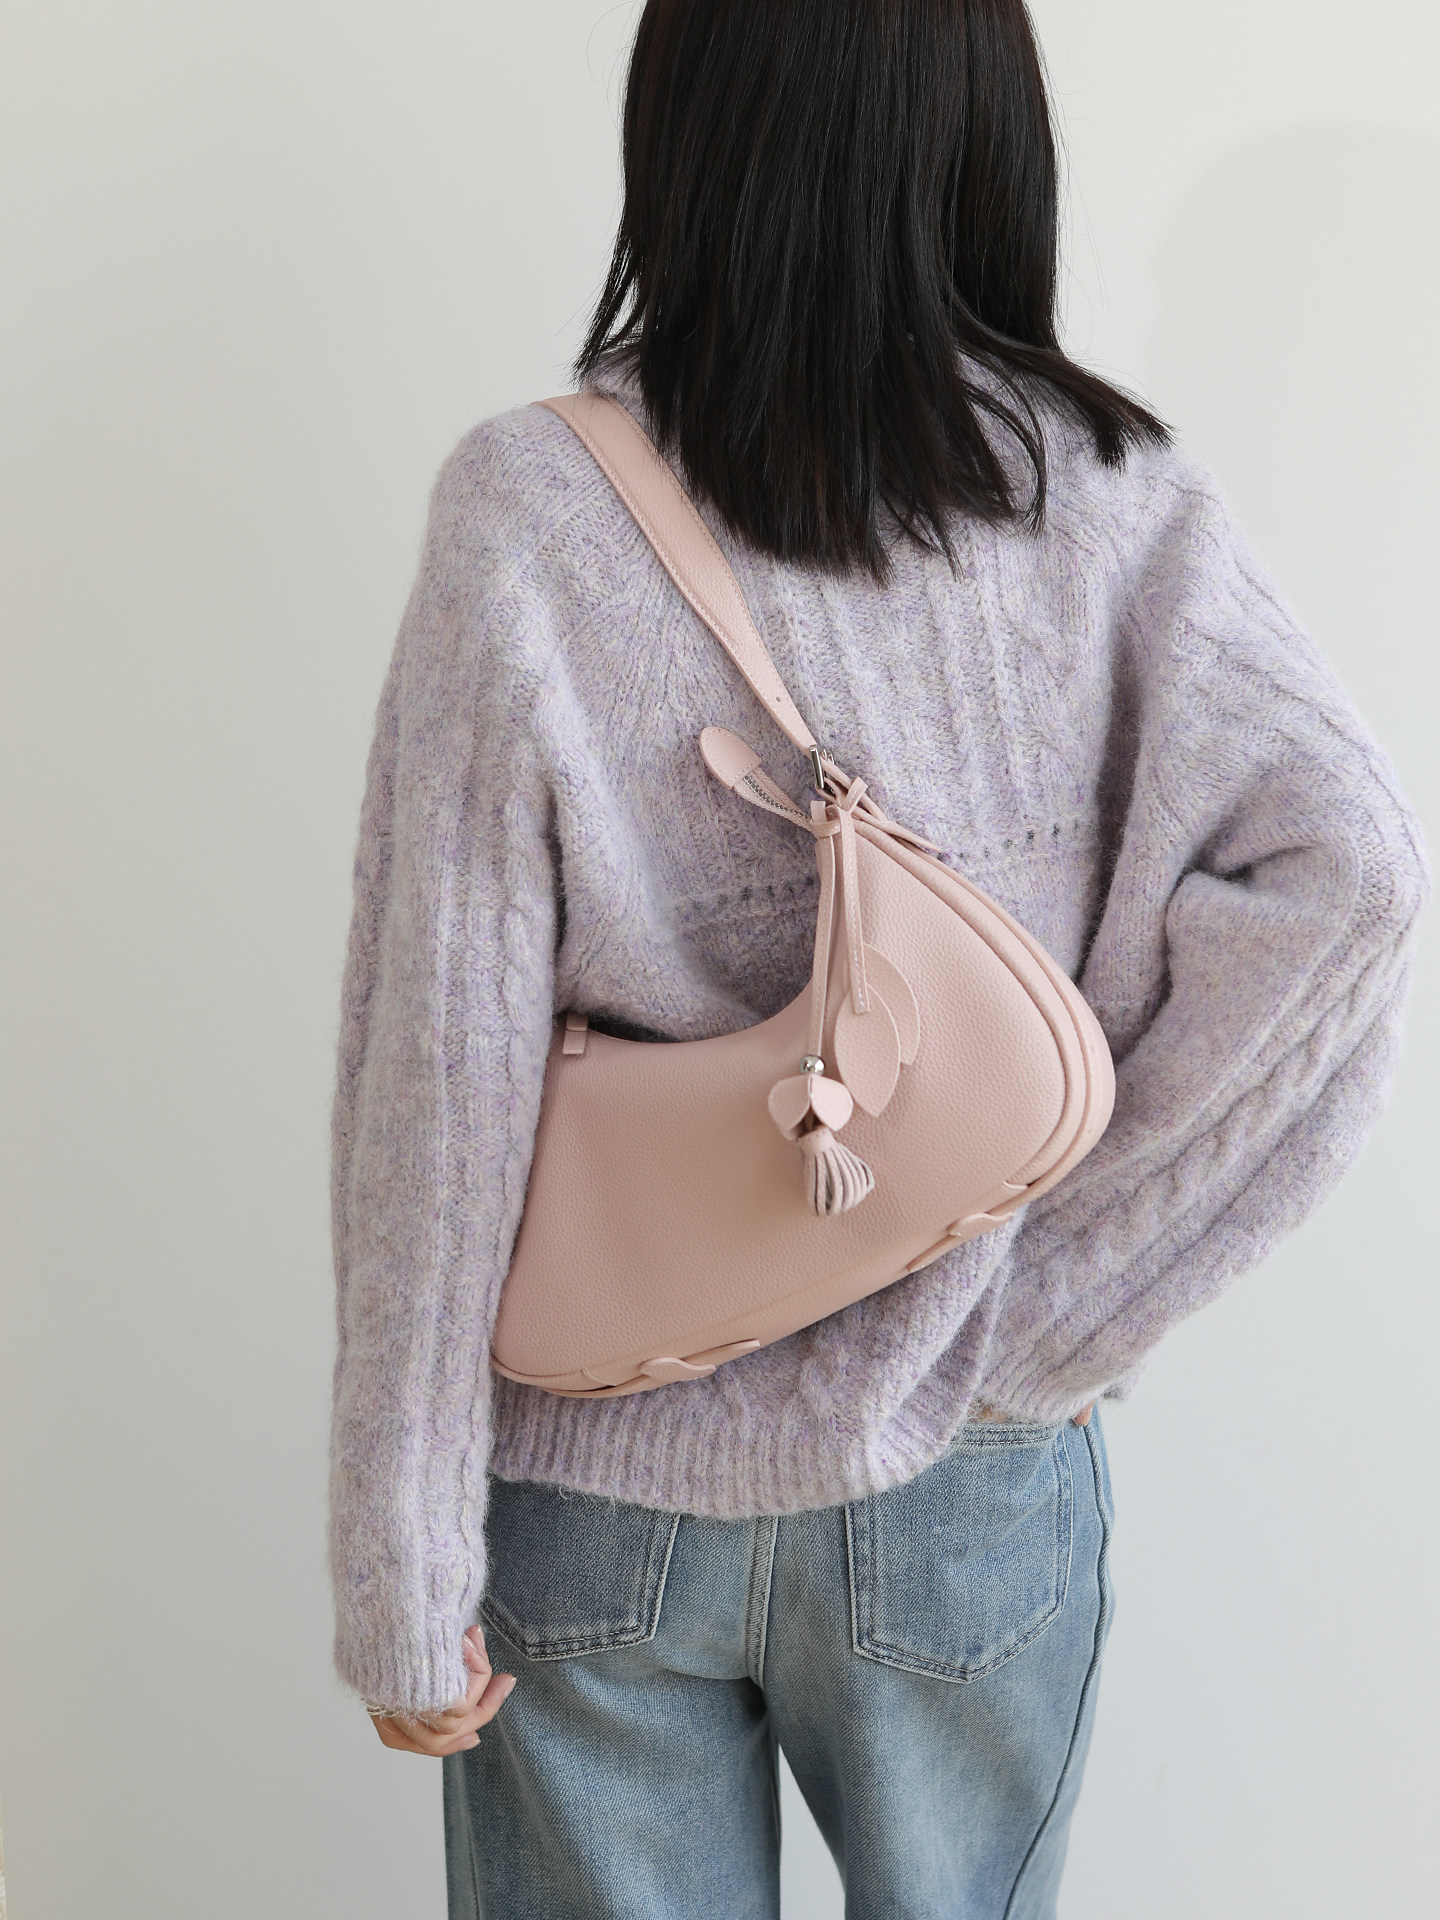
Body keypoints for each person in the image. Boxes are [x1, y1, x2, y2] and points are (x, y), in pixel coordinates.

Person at [327, 2, 1428, 1914]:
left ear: (681, 131)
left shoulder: (528, 508)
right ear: (985, 135)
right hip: (965, 1474)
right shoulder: (1108, 498)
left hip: (599, 1468)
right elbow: (1361, 878)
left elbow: (438, 1062)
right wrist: (1045, 1307)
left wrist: (402, 1558)